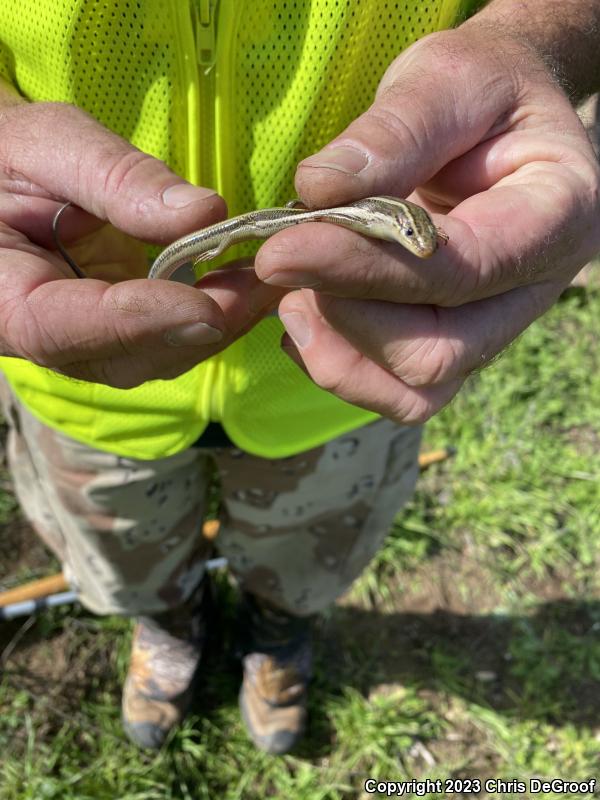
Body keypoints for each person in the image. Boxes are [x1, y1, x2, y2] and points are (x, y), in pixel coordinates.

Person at [0, 0, 599, 754]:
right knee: (127, 559)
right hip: (79, 369)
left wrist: (530, 40)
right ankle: (168, 624)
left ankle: (278, 631)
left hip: (333, 376)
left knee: (304, 559)